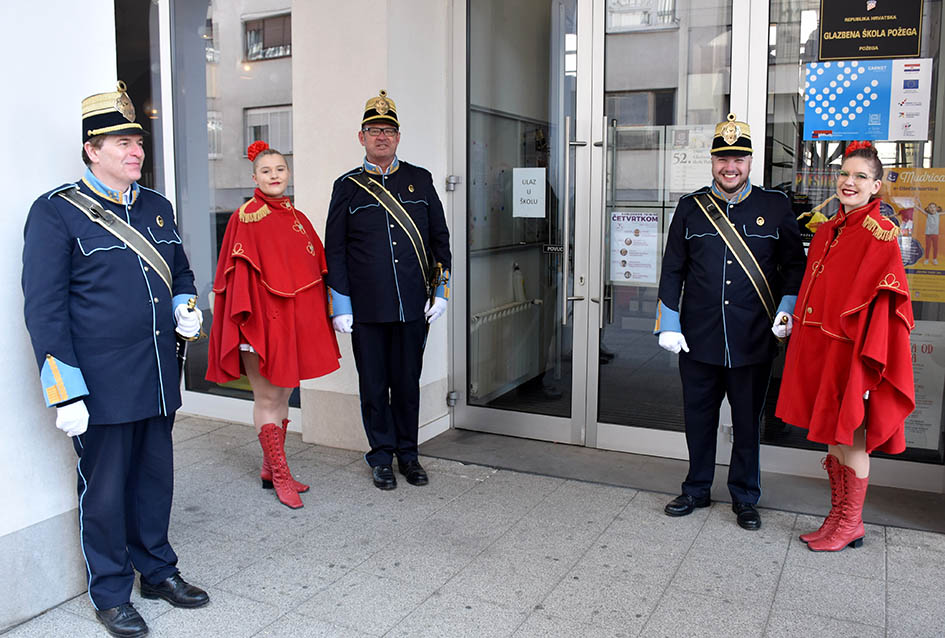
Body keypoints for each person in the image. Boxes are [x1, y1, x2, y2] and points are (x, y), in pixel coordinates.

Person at [22, 82, 208, 638]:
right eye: (120, 139)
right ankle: (109, 590)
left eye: (137, 138)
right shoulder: (56, 213)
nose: (135, 148)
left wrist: (184, 303)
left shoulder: (156, 207)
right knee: (103, 489)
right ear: (91, 149)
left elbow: (180, 269)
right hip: (99, 385)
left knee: (155, 479)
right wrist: (64, 390)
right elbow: (45, 310)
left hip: (156, 376)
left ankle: (157, 570)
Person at [654, 113, 805, 530]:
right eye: (723, 159)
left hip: (753, 338)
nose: (730, 167)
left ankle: (745, 496)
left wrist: (787, 310)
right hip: (698, 339)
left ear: (751, 161)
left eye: (738, 159)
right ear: (713, 161)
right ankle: (696, 489)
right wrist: (668, 321)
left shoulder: (774, 207)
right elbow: (672, 269)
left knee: (746, 422)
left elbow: (795, 266)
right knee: (698, 418)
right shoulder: (690, 208)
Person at [776, 141, 914, 552]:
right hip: (824, 351)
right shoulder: (828, 229)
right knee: (835, 439)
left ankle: (851, 521)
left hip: (854, 355)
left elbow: (888, 305)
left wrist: (873, 364)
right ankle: (836, 516)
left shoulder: (881, 234)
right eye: (845, 174)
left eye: (860, 176)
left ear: (876, 186)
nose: (849, 182)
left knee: (851, 437)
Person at [324, 90, 451, 490]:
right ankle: (381, 456)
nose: (382, 137)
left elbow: (440, 240)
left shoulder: (420, 180)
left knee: (407, 384)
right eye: (375, 130)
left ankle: (409, 456)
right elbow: (336, 250)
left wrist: (441, 291)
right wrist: (340, 304)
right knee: (374, 386)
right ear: (361, 137)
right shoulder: (347, 187)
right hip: (366, 309)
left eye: (389, 131)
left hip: (413, 306)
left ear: (399, 137)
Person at [206, 141, 340, 509]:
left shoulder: (295, 217)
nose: (274, 176)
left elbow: (314, 269)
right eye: (266, 171)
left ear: (288, 173)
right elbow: (236, 280)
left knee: (283, 395)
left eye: (279, 169)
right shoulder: (245, 216)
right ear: (254, 177)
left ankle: (271, 468)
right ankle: (280, 475)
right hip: (260, 325)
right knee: (267, 396)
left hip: (289, 325)